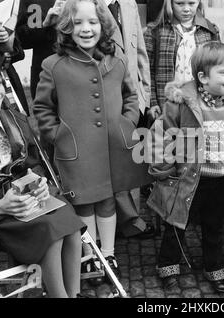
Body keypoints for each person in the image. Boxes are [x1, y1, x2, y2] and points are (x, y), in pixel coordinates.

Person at [33, 0, 148, 285]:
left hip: (112, 148)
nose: (86, 29)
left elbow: (132, 96)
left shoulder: (117, 60)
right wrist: (57, 135)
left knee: (108, 199)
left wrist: (128, 122)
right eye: (79, 23)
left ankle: (108, 253)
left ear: (103, 26)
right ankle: (90, 253)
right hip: (76, 151)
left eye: (93, 22)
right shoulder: (53, 65)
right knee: (84, 203)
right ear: (67, 28)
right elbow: (42, 108)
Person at [0, 50, 85, 298]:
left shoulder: (13, 122)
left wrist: (38, 182)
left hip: (27, 203)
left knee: (68, 221)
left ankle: (74, 294)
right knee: (49, 228)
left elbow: (33, 165)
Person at [147, 42, 224, 294]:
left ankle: (214, 268)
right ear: (202, 77)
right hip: (190, 178)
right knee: (177, 223)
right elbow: (163, 135)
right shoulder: (183, 104)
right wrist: (163, 169)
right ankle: (168, 265)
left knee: (215, 225)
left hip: (221, 178)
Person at [103, 0, 154, 240]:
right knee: (104, 163)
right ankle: (107, 225)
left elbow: (139, 50)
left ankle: (130, 220)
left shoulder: (128, 4)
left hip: (132, 99)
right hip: (102, 98)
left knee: (129, 160)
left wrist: (144, 96)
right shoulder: (81, 4)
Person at [144, 0, 220, 126]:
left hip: (199, 103)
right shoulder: (155, 31)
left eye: (191, 3)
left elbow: (215, 68)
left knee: (194, 140)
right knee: (167, 141)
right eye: (180, 3)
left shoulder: (210, 31)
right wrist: (152, 103)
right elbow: (147, 71)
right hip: (165, 104)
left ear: (199, 3)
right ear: (170, 4)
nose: (186, 9)